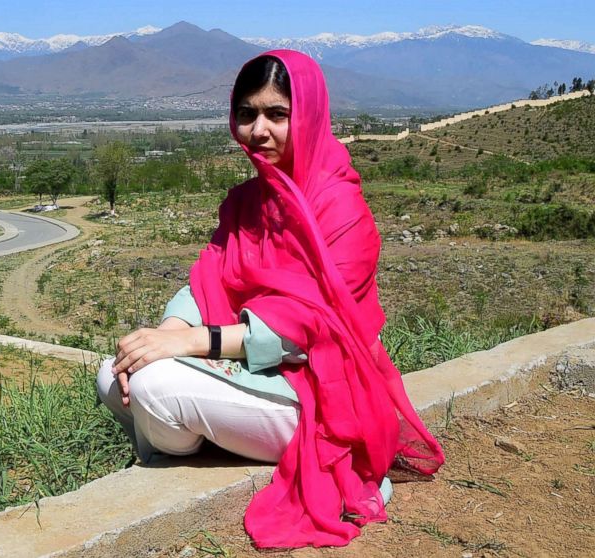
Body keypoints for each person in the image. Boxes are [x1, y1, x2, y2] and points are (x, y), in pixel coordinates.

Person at [96, 50, 444, 549]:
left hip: (323, 397)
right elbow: (206, 278)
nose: (259, 130)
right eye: (247, 113)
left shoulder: (342, 210)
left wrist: (191, 344)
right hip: (255, 376)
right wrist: (166, 334)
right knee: (114, 371)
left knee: (154, 386)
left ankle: (206, 440)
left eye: (277, 114)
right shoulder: (247, 203)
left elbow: (302, 329)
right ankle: (200, 430)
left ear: (309, 116)